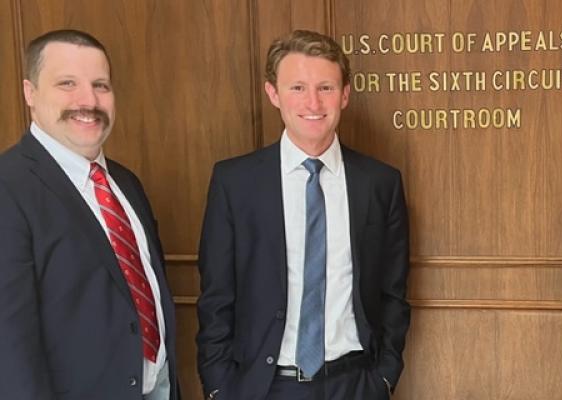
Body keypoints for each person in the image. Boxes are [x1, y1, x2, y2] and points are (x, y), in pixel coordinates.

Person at [196, 30, 410, 400]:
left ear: (344, 94)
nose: (313, 102)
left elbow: (393, 293)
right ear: (273, 93)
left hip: (356, 383)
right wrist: (218, 387)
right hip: (262, 387)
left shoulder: (380, 183)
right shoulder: (235, 182)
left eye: (325, 87)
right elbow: (216, 297)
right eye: (297, 87)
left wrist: (384, 378)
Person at [0, 29, 180, 399]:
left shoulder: (125, 183)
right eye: (67, 83)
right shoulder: (8, 188)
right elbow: (9, 346)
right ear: (29, 92)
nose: (88, 100)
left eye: (101, 85)